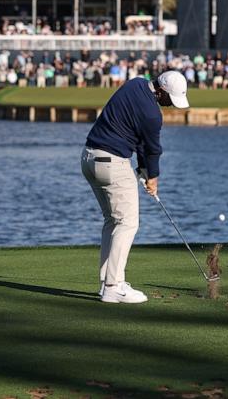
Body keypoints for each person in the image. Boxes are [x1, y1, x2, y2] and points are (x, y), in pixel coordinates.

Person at [81, 70, 189, 304]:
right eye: (169, 99)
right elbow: (152, 149)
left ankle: (107, 282)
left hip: (89, 158)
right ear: (160, 92)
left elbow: (137, 137)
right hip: (112, 162)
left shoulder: (135, 84)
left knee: (113, 221)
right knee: (128, 222)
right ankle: (113, 286)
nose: (170, 105)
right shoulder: (153, 114)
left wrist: (142, 171)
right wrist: (153, 177)